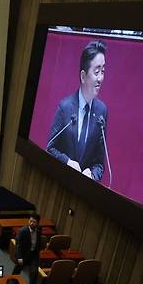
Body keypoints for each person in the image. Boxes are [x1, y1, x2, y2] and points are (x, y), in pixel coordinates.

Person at [46, 40, 107, 182]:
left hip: (83, 190)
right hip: (59, 183)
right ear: (83, 76)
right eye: (96, 72)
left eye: (103, 72)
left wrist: (92, 175)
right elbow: (50, 148)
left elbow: (99, 163)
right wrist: (67, 162)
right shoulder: (65, 107)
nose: (100, 78)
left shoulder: (102, 111)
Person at [14, 213, 42, 284]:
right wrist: (19, 257)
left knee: (34, 273)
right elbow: (18, 244)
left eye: (34, 222)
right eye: (30, 221)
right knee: (17, 270)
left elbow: (38, 241)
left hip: (33, 255)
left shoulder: (39, 230)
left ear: (37, 223)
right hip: (23, 255)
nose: (31, 223)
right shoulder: (23, 231)